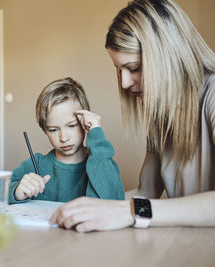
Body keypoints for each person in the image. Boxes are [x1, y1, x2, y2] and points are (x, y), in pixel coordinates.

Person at [50, 0, 215, 232]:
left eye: (134, 67)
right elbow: (146, 192)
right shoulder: (160, 116)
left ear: (168, 56)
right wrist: (88, 206)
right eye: (120, 71)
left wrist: (132, 211)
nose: (125, 83)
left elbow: (141, 205)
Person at [8, 77, 125, 204]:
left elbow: (113, 200)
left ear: (84, 122)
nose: (63, 138)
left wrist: (96, 135)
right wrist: (16, 192)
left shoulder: (101, 162)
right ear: (44, 130)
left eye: (72, 126)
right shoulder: (35, 164)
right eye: (53, 130)